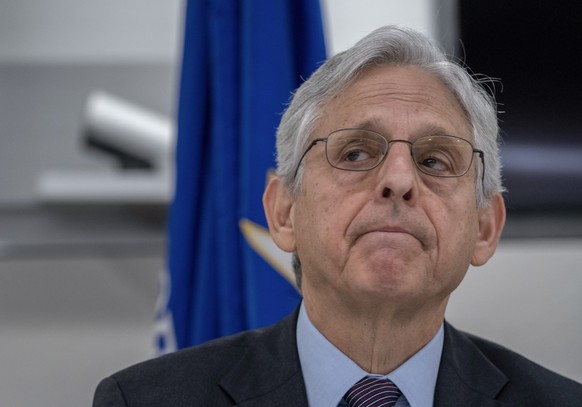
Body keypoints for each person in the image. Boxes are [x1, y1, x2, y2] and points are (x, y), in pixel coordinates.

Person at [93, 25, 582, 406]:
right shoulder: (143, 401)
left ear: (485, 227)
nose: (399, 179)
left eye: (434, 160)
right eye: (354, 154)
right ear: (283, 212)